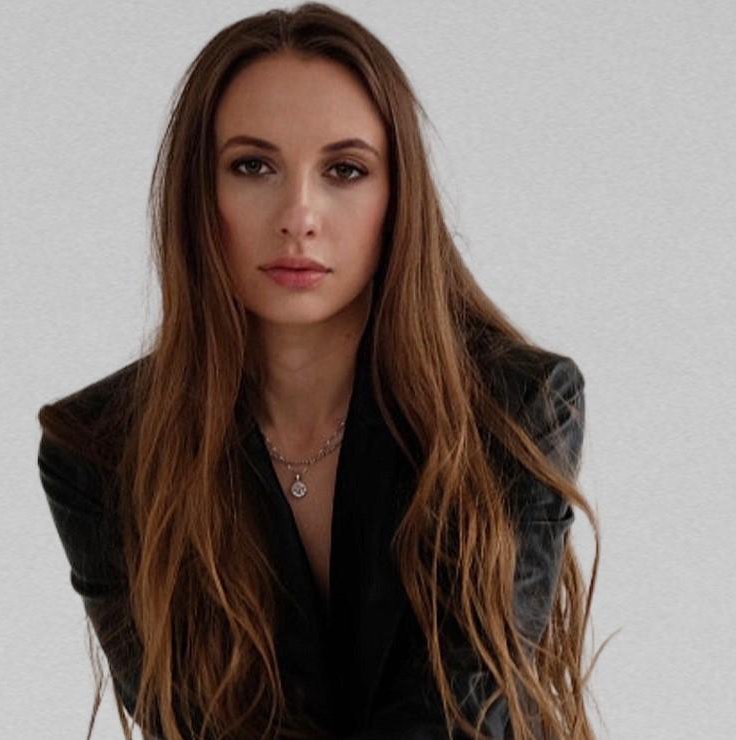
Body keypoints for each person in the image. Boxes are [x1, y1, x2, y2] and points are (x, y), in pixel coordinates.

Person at [36, 3, 601, 738]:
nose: (298, 215)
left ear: (397, 198)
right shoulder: (101, 448)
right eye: (253, 166)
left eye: (345, 170)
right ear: (197, 195)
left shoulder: (513, 406)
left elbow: (463, 714)